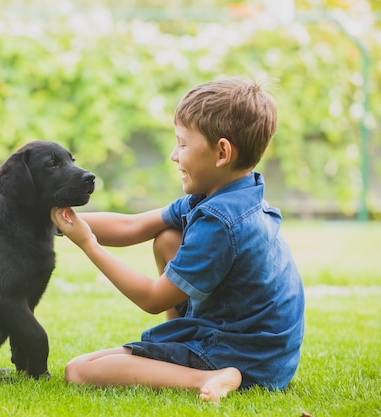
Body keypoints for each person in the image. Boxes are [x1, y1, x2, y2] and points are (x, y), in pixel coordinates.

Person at [50, 77, 305, 403]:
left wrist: (88, 243)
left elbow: (154, 300)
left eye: (182, 145)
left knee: (80, 370)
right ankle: (185, 353)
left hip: (244, 357)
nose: (173, 155)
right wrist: (52, 221)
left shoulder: (219, 222)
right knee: (168, 237)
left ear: (222, 152)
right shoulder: (230, 194)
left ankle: (210, 376)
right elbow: (132, 225)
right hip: (268, 356)